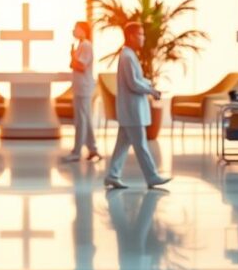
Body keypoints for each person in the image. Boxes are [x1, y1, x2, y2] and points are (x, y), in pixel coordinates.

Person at [105, 22, 172, 190]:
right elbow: (133, 83)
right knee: (141, 145)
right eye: (140, 35)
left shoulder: (129, 55)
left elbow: (136, 79)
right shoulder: (127, 56)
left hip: (130, 111)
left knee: (122, 145)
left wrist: (148, 84)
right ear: (131, 36)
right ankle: (152, 176)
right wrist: (151, 90)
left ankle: (112, 175)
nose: (143, 38)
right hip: (132, 111)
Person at [63, 20, 101, 163]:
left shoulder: (85, 45)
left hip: (83, 88)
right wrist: (72, 56)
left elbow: (81, 66)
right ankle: (93, 149)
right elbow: (73, 64)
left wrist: (73, 56)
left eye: (76, 28)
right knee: (86, 119)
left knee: (81, 120)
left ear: (83, 30)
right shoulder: (81, 45)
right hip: (80, 87)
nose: (74, 31)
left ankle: (77, 152)